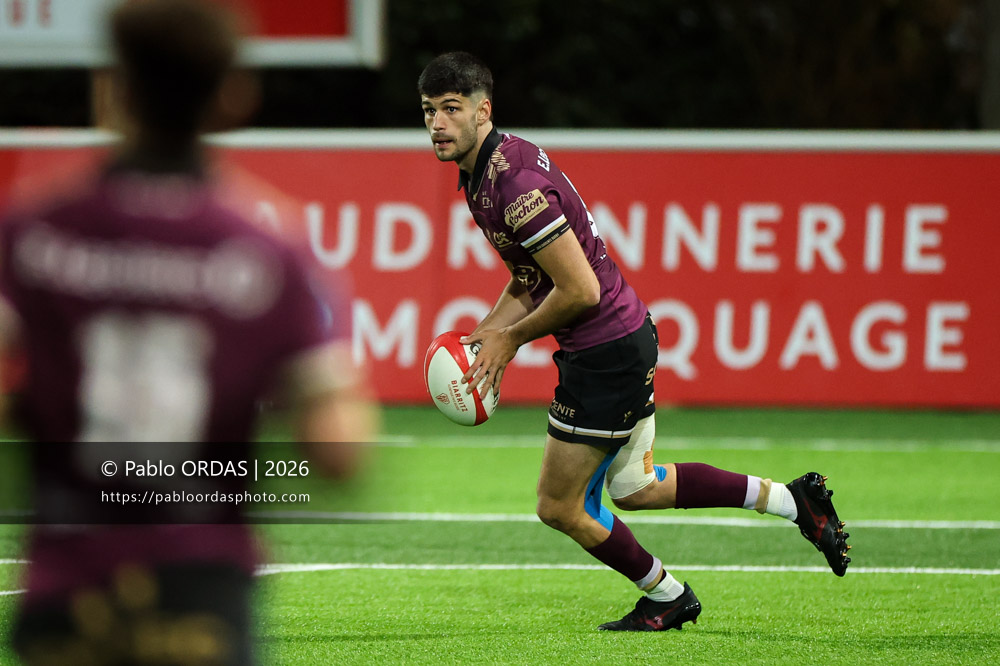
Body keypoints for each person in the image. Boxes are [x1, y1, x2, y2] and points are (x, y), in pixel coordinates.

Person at [417, 51, 851, 631]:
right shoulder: (483, 173)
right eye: (428, 112)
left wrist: (511, 339)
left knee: (559, 506)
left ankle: (668, 594)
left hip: (605, 352)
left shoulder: (514, 184)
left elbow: (580, 290)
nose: (438, 124)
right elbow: (531, 276)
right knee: (635, 486)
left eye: (451, 109)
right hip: (620, 338)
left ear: (483, 111)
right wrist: (489, 335)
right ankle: (795, 502)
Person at [0, 1, 375, 663]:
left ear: (118, 87)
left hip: (68, 586)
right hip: (198, 590)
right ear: (235, 98)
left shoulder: (37, 229)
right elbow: (339, 452)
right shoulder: (267, 249)